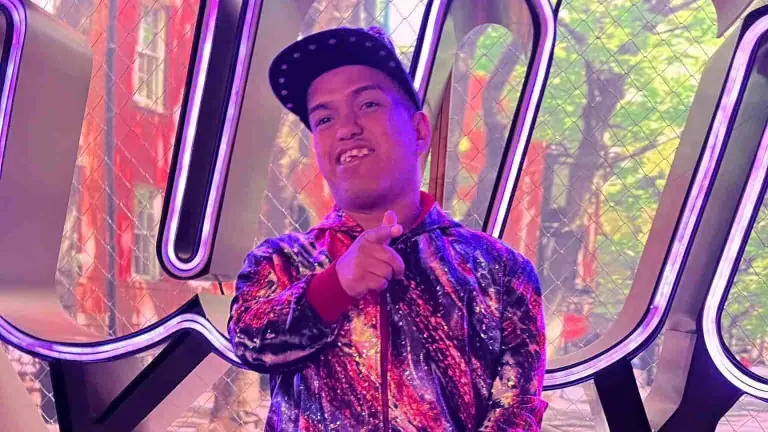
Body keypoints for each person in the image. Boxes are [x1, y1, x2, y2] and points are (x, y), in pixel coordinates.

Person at [227, 25, 547, 431]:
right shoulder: (279, 262)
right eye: (324, 118)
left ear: (419, 131)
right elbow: (250, 346)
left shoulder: (501, 272)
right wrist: (335, 286)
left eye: (368, 104)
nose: (346, 128)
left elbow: (517, 407)